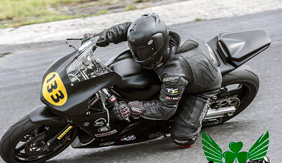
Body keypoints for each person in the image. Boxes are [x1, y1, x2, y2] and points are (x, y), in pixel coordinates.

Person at [84, 13, 222, 147]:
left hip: (203, 87)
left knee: (183, 139)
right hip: (190, 64)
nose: (136, 52)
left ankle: (191, 112)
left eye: (142, 50)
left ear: (156, 47)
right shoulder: (155, 34)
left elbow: (165, 109)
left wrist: (132, 108)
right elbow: (128, 30)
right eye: (135, 48)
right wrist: (98, 39)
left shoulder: (174, 74)